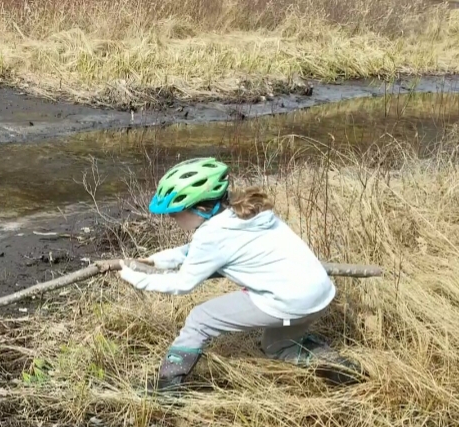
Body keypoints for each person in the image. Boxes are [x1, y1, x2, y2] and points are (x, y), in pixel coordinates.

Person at [116, 157, 362, 393]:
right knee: (276, 347)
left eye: (174, 213)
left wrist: (135, 278)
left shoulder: (211, 236)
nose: (172, 219)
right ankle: (338, 366)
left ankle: (168, 387)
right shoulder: (243, 215)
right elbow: (195, 251)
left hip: (287, 304)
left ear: (199, 208)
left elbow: (183, 283)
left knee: (200, 319)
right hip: (319, 296)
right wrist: (154, 261)